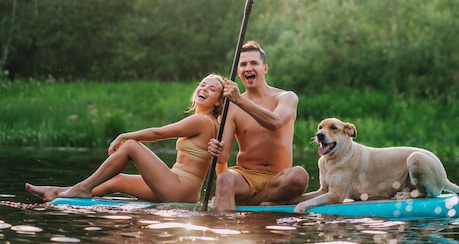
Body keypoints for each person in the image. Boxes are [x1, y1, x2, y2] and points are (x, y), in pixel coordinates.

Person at [25, 74, 225, 203]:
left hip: (181, 190)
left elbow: (159, 134)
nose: (204, 89)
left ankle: (83, 189)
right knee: (116, 180)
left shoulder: (203, 121)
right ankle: (58, 192)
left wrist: (124, 135)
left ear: (218, 101)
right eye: (202, 84)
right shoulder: (205, 122)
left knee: (131, 146)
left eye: (212, 89)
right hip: (177, 186)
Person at [208, 40, 309, 212]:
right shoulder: (231, 107)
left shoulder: (286, 97)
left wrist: (239, 100)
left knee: (299, 175)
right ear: (238, 71)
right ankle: (224, 231)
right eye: (243, 64)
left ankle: (250, 204)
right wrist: (215, 149)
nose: (248, 68)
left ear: (265, 68)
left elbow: (275, 122)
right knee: (225, 179)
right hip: (246, 178)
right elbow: (223, 158)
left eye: (254, 63)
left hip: (279, 178)